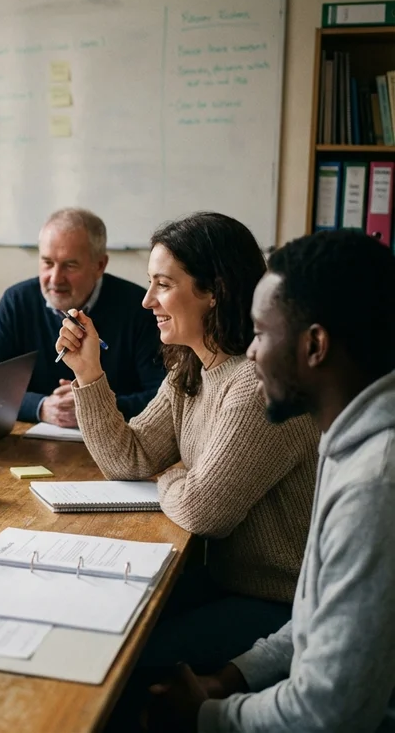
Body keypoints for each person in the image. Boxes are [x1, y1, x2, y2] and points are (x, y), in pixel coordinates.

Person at [144, 230, 395, 733]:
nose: (251, 354)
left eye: (261, 333)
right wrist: (233, 678)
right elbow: (314, 616)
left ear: (314, 346)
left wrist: (208, 715)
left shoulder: (374, 482)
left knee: (134, 672)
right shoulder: (350, 439)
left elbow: (328, 712)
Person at [56, 212, 319, 674]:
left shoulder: (255, 382)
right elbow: (129, 459)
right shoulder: (191, 369)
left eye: (163, 284)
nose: (146, 301)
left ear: (213, 291)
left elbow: (204, 511)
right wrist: (88, 373)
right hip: (228, 582)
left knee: (129, 661)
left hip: (283, 605)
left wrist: (176, 476)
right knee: (99, 624)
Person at [0, 207, 164, 427]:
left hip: (118, 440)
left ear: (99, 265)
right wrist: (41, 407)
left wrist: (94, 406)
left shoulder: (139, 306)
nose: (55, 278)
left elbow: (163, 397)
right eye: (47, 263)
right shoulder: (18, 301)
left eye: (70, 265)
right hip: (34, 443)